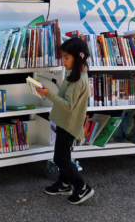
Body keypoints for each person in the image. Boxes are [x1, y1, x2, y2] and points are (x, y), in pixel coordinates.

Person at [35, 37, 94, 205]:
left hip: (68, 125)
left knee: (61, 159)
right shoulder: (75, 74)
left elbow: (69, 106)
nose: (63, 61)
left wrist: (48, 94)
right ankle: (64, 183)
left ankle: (82, 187)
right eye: (63, 57)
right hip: (64, 123)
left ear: (78, 57)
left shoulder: (77, 80)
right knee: (63, 155)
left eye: (66, 57)